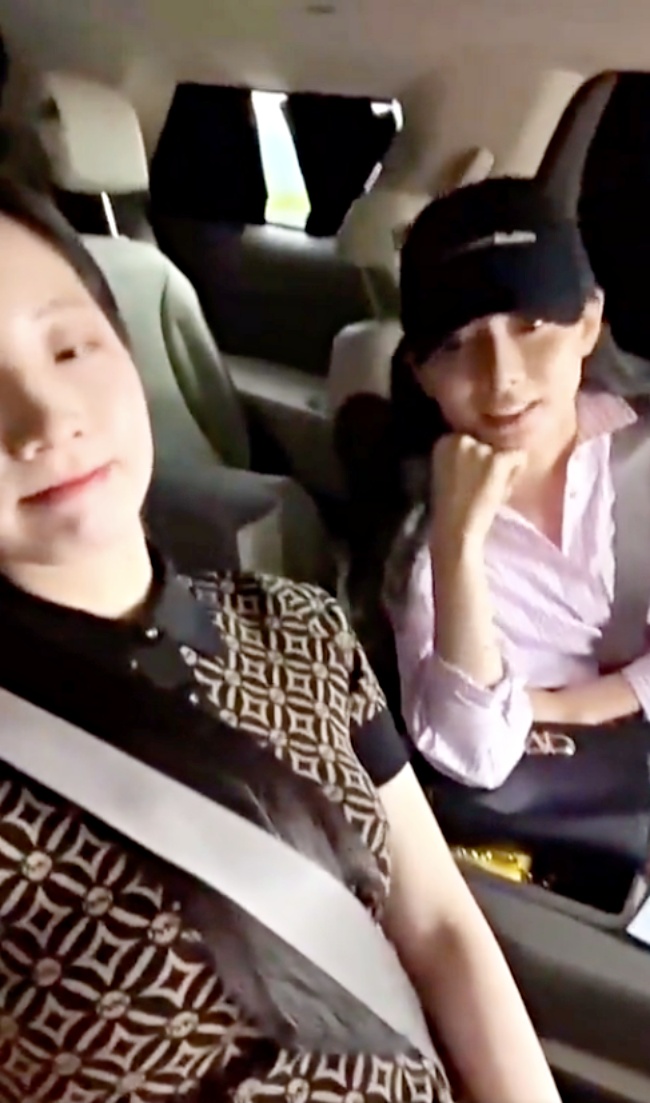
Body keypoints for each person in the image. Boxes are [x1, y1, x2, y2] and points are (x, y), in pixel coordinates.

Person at [0, 179, 558, 1102]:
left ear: (124, 349)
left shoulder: (300, 626)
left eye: (68, 347)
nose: (47, 417)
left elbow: (439, 929)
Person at [385, 175, 650, 793]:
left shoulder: (641, 454)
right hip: (579, 822)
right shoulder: (426, 553)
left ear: (588, 325)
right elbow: (475, 752)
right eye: (457, 345)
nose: (502, 376)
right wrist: (458, 547)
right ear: (422, 374)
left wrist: (580, 704)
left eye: (531, 326)